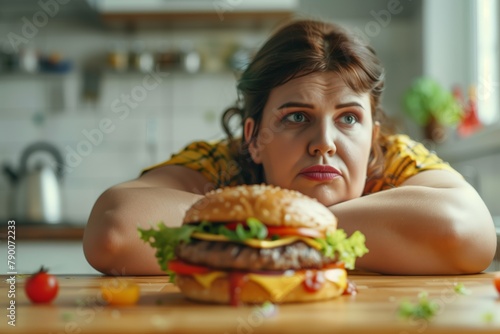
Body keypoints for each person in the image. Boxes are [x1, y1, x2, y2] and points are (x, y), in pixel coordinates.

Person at [83, 19, 496, 276]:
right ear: (252, 138)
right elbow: (115, 232)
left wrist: (283, 228)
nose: (324, 144)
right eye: (297, 116)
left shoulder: (394, 157)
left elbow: (468, 233)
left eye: (349, 118)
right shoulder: (220, 163)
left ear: (373, 137)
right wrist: (302, 225)